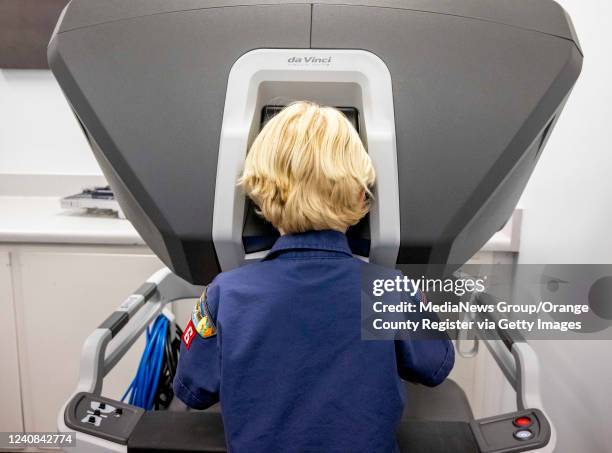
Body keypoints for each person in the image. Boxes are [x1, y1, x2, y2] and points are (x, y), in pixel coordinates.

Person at [173, 101, 454, 452]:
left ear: (260, 188)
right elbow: (436, 366)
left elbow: (193, 389)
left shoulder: (227, 293)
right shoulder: (385, 291)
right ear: (358, 191)